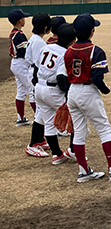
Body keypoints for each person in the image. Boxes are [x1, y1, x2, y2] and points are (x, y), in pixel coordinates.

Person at [64, 13, 111, 183]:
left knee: (79, 132)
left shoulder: (68, 50)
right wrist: (106, 90)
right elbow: (97, 78)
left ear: (75, 30)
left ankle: (84, 171)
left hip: (72, 92)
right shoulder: (96, 51)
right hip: (87, 91)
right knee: (104, 129)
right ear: (92, 31)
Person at [33, 23, 77, 164]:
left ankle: (57, 154)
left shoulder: (46, 47)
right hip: (53, 90)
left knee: (49, 122)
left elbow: (35, 68)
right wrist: (68, 94)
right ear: (72, 41)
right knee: (76, 117)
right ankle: (72, 150)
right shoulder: (65, 54)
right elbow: (61, 78)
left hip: (39, 88)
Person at [25, 13, 53, 157]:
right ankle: (33, 144)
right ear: (47, 28)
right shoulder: (39, 43)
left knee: (42, 110)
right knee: (41, 110)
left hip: (34, 74)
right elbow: (38, 65)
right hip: (36, 76)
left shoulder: (35, 39)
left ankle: (40, 140)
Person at [8, 9, 34, 127]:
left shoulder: (13, 33)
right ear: (20, 20)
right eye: (23, 18)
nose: (25, 20)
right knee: (32, 89)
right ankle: (41, 117)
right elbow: (24, 51)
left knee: (21, 91)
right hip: (21, 63)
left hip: (16, 63)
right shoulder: (19, 35)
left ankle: (21, 118)